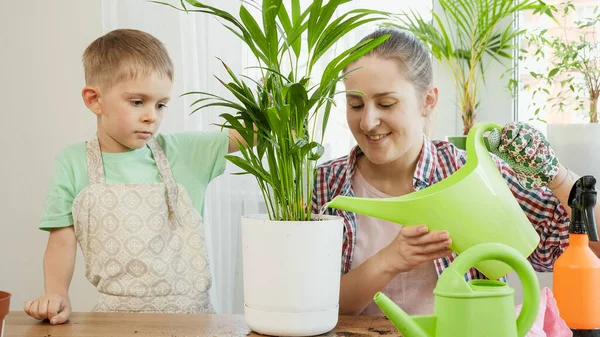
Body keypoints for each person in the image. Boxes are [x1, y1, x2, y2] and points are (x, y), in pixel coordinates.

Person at [312, 27, 600, 316]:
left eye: (386, 103)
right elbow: (313, 305)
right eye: (356, 104)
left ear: (428, 100)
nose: (367, 122)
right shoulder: (326, 185)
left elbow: (586, 245)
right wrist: (390, 260)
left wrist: (557, 176)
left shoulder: (470, 173)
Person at [23, 29, 247, 324]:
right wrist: (57, 294)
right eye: (137, 102)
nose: (152, 116)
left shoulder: (186, 152)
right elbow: (62, 240)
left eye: (160, 104)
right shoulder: (73, 162)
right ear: (94, 100)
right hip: (112, 324)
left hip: (192, 323)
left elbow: (253, 134)